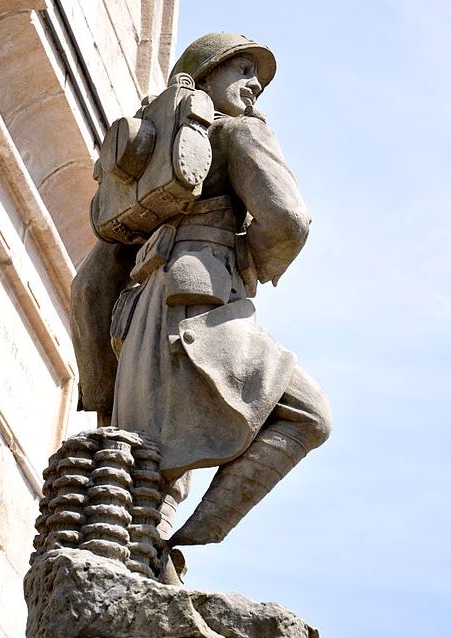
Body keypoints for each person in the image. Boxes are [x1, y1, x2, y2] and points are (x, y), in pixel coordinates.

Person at [72, 32, 332, 556]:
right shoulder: (239, 134)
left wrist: (103, 389)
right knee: (308, 415)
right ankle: (179, 544)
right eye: (240, 70)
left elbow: (90, 286)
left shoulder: (151, 165)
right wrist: (249, 259)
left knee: (155, 468)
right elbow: (288, 222)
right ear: (205, 77)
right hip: (200, 310)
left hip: (138, 324)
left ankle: (150, 560)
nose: (254, 84)